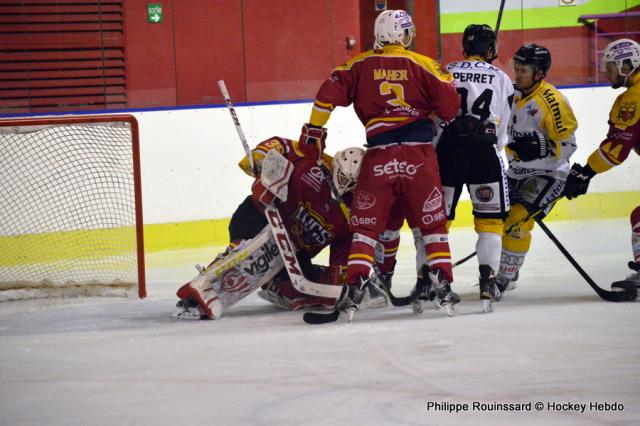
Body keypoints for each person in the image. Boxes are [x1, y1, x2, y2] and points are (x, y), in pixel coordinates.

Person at [299, 9, 461, 318]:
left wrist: (315, 129)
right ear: (403, 34)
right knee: (432, 224)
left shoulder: (358, 64)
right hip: (418, 157)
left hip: (379, 156)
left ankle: (354, 289)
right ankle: (442, 284)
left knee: (365, 229)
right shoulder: (424, 64)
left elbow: (325, 97)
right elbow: (451, 107)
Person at [174, 137, 374, 319]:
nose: (344, 184)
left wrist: (341, 278)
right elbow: (279, 145)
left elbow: (342, 258)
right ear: (335, 164)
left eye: (351, 183)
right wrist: (262, 162)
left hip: (290, 253)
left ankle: (276, 285)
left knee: (317, 290)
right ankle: (200, 291)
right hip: (261, 216)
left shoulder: (352, 215)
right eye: (342, 177)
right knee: (243, 252)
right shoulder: (311, 162)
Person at [436, 24, 513, 310]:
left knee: (437, 221)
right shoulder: (501, 77)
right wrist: (495, 146)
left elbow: (436, 116)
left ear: (464, 48)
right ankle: (488, 283)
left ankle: (432, 281)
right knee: (490, 222)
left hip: (448, 152)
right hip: (483, 153)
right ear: (490, 50)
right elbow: (504, 124)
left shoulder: (446, 71)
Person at [495, 44, 578, 293]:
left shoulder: (553, 101)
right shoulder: (510, 94)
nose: (517, 74)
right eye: (517, 68)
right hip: (514, 172)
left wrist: (542, 147)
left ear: (539, 74)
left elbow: (569, 145)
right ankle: (506, 267)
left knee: (518, 219)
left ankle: (504, 277)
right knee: (494, 219)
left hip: (549, 174)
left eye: (524, 70)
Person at [564, 38, 640, 287]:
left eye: (610, 68)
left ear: (626, 66)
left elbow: (617, 147)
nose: (606, 73)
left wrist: (586, 172)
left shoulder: (633, 97)